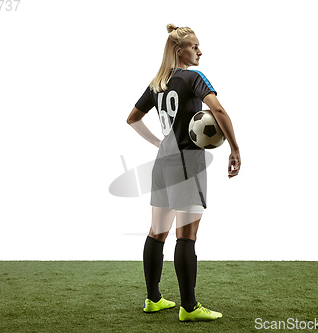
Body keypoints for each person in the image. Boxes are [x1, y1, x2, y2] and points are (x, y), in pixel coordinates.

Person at [126, 23, 241, 322]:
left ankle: (153, 299)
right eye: (194, 46)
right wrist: (235, 149)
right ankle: (189, 308)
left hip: (163, 164)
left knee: (156, 232)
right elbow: (219, 111)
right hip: (188, 163)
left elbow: (132, 118)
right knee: (187, 236)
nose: (200, 51)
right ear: (180, 51)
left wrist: (159, 143)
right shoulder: (193, 77)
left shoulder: (157, 84)